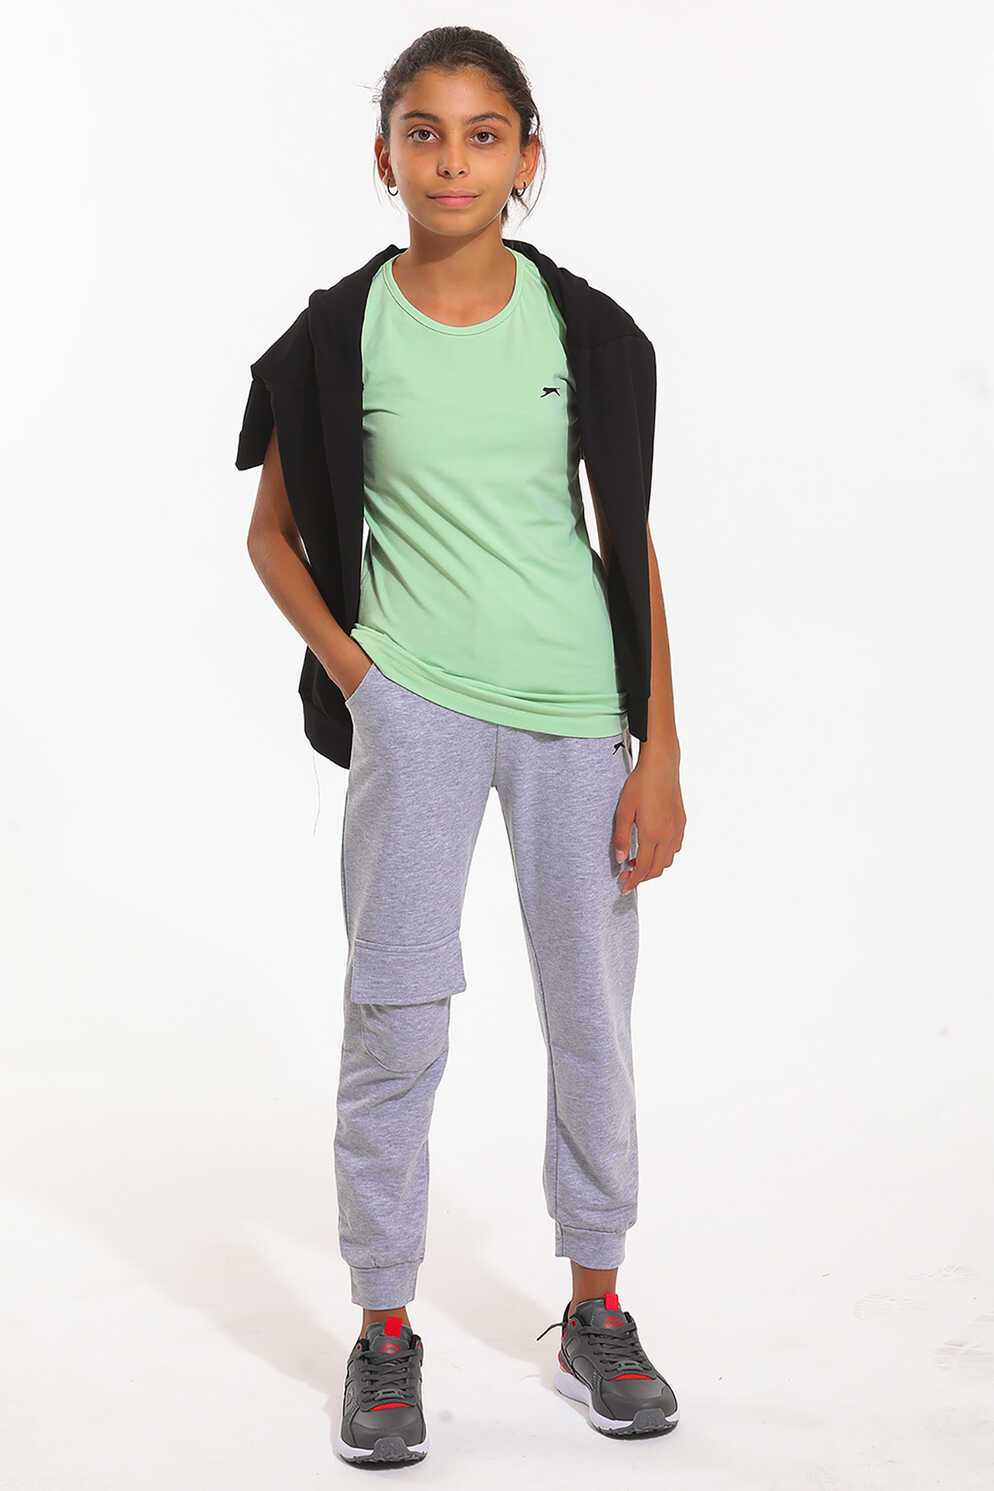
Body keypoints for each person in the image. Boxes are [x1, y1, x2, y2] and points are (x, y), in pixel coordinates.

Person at [240, 26, 685, 1468]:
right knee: (397, 1016)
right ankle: (384, 1328)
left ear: (525, 158)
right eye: (422, 133)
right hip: (414, 712)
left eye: (482, 134)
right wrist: (365, 680)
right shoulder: (333, 337)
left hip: (576, 716)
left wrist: (659, 749)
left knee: (589, 1018)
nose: (451, 160)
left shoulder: (586, 332)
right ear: (384, 157)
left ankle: (596, 1308)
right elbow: (272, 536)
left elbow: (627, 540)